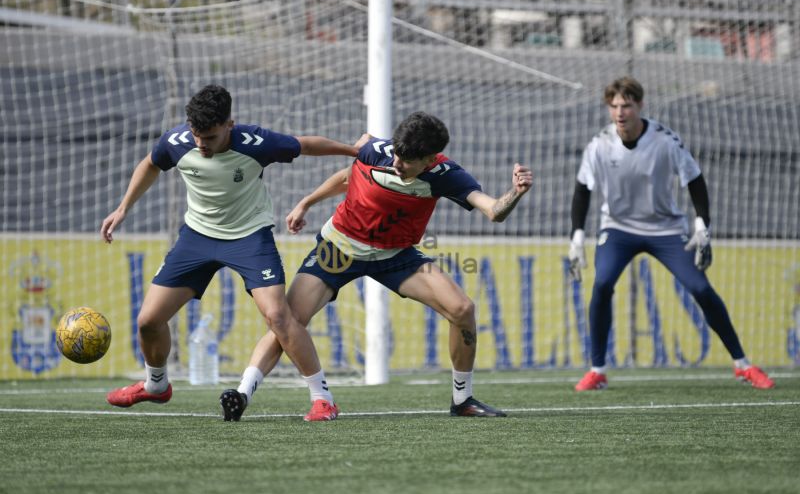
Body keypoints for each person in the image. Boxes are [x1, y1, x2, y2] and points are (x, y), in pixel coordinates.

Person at [219, 111, 533, 420]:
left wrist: (515, 193)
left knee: (462, 309)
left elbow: (494, 210)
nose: (396, 163)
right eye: (396, 154)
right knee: (287, 319)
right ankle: (243, 393)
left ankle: (462, 400)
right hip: (338, 249)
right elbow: (347, 177)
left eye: (406, 161)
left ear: (429, 159)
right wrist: (306, 202)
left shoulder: (447, 175)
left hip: (395, 256)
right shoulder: (373, 150)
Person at [101, 84, 359, 420]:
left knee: (279, 316)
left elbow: (305, 144)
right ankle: (156, 385)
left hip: (249, 237)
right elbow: (150, 163)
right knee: (148, 321)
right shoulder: (176, 142)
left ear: (229, 125)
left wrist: (353, 151)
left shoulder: (256, 143)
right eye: (196, 135)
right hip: (196, 238)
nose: (201, 144)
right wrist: (123, 207)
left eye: (209, 137)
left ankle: (322, 398)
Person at [568, 76, 774, 391]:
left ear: (640, 105)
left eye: (627, 105)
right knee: (602, 283)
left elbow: (695, 179)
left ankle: (743, 365)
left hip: (665, 230)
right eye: (614, 106)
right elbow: (582, 190)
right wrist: (577, 236)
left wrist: (702, 224)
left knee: (700, 288)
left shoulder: (665, 140)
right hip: (618, 229)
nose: (620, 112)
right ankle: (598, 370)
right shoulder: (599, 145)